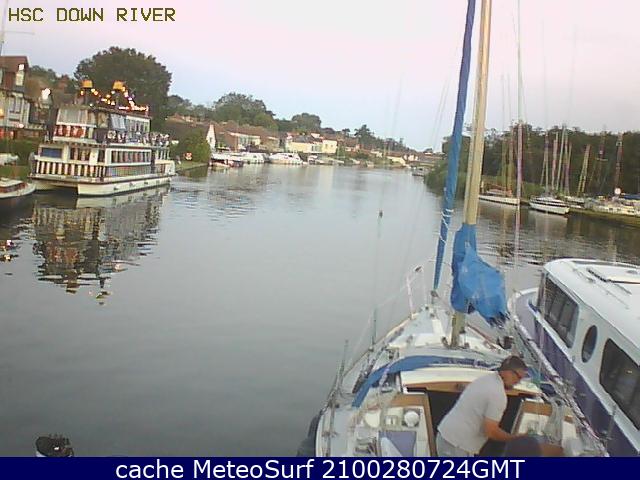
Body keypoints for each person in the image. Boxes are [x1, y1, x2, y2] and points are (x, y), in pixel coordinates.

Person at [436, 356, 528, 457]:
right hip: (458, 445)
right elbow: (490, 431)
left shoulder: (485, 379)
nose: (518, 382)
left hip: (445, 436)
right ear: (508, 372)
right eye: (519, 377)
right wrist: (515, 438)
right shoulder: (498, 395)